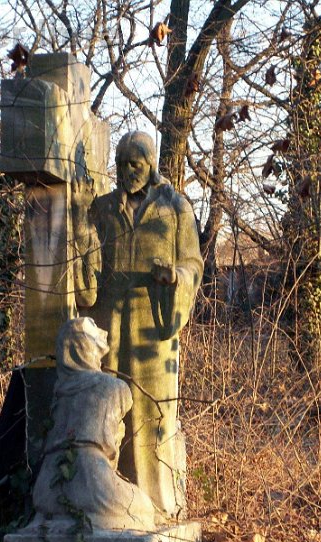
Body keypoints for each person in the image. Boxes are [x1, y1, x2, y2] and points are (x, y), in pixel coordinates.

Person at [73, 131, 203, 519]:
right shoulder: (103, 208)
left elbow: (194, 263)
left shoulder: (175, 208)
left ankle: (158, 504)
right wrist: (80, 219)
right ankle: (110, 501)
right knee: (109, 410)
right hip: (110, 324)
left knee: (153, 414)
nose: (128, 171)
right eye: (122, 164)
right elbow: (88, 269)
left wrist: (176, 276)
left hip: (154, 328)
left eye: (136, 164)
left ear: (151, 164)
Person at [31, 317, 157, 531]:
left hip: (45, 490)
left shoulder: (58, 394)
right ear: (88, 349)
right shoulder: (114, 387)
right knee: (144, 505)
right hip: (92, 481)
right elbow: (110, 449)